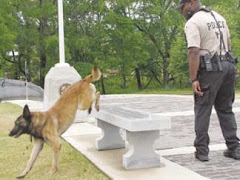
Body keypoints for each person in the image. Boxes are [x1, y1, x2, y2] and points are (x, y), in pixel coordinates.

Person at [177, 0, 240, 161]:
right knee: (226, 108)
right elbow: (229, 44)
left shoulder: (193, 22)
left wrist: (193, 79)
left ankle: (202, 151)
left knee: (202, 109)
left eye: (182, 8)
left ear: (191, 3)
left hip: (210, 69)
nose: (182, 12)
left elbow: (193, 51)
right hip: (228, 65)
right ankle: (235, 148)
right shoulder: (218, 17)